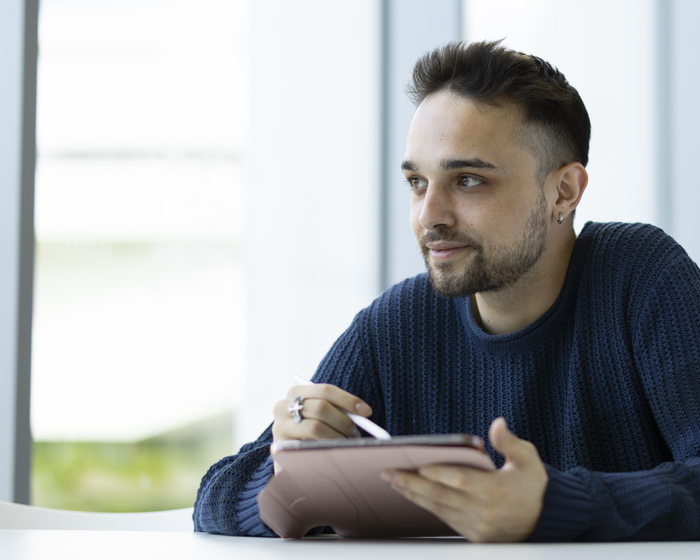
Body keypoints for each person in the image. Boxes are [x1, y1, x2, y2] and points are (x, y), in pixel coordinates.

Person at [193, 40, 700, 542]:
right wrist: (289, 471)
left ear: (563, 191)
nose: (429, 216)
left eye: (469, 180)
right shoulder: (399, 323)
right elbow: (214, 497)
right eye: (417, 182)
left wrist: (553, 505)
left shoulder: (641, 276)